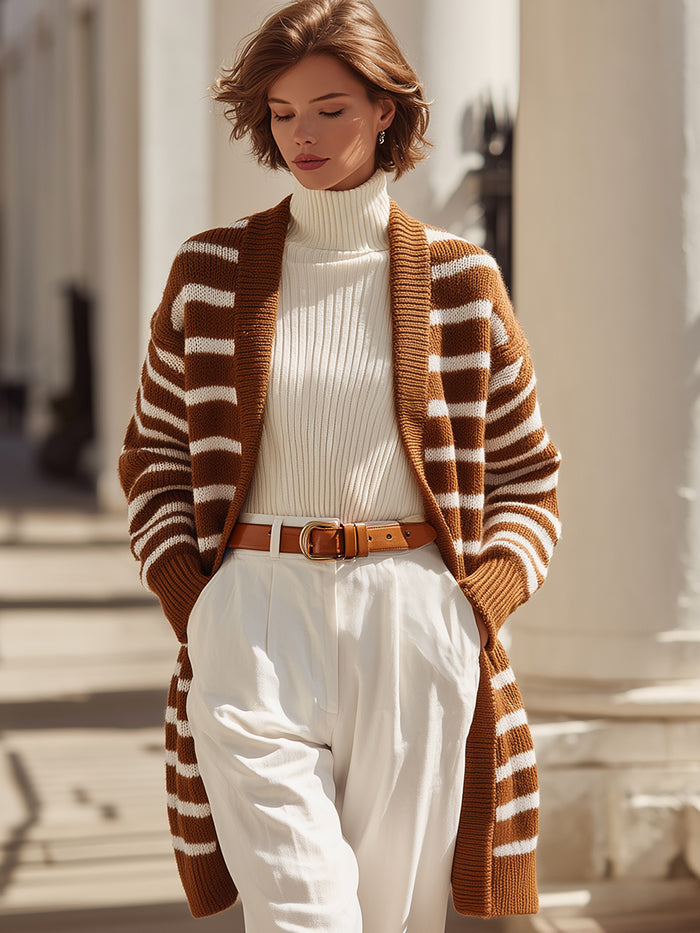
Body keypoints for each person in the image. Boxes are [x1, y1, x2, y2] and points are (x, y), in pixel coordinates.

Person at [119, 1, 561, 930]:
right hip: (251, 612)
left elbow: (528, 472)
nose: (302, 136)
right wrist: (193, 600)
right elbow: (155, 455)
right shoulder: (210, 270)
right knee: (303, 913)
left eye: (329, 109)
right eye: (282, 114)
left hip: (413, 618)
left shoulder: (458, 279)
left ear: (387, 109)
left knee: (392, 918)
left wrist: (474, 600)